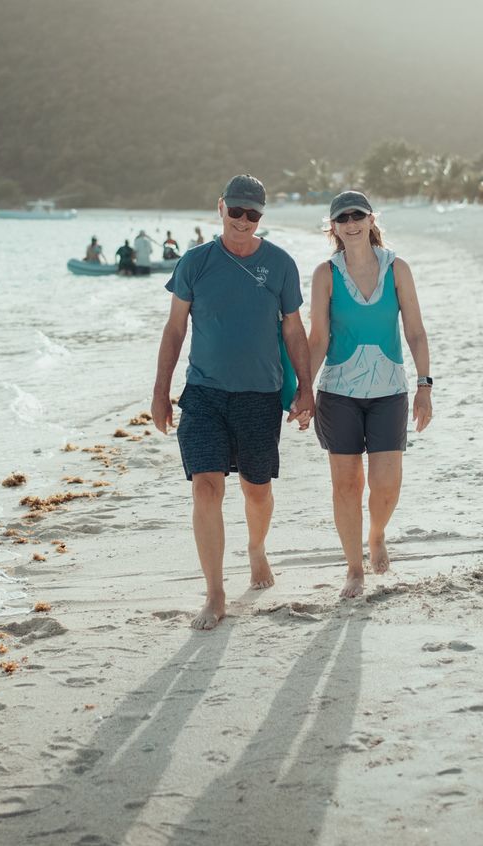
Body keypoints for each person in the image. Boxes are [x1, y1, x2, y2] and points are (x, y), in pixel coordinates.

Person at [152, 174, 315, 630]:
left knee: (256, 488)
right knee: (205, 486)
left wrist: (306, 388)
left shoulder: (280, 264)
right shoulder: (195, 262)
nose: (243, 221)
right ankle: (215, 593)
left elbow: (293, 330)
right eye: (236, 211)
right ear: (220, 207)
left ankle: (257, 547)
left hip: (260, 396)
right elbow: (174, 330)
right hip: (203, 394)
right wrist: (161, 391)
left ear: (261, 216)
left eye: (253, 214)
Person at [307, 190, 432, 599]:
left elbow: (414, 330)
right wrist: (303, 390)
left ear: (371, 219)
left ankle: (377, 532)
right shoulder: (325, 274)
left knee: (386, 485)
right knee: (346, 485)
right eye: (342, 218)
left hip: (388, 392)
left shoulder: (398, 269)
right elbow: (319, 337)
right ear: (334, 228)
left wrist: (424, 386)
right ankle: (354, 568)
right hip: (338, 391)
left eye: (357, 214)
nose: (351, 223)